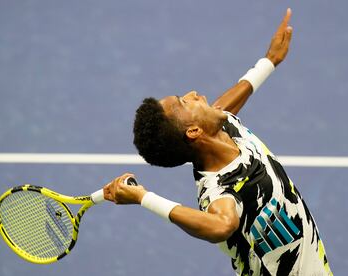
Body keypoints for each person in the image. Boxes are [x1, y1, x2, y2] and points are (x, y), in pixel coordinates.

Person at [102, 8, 333, 276]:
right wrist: (144, 197)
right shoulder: (218, 190)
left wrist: (269, 61)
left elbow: (226, 103)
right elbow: (221, 226)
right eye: (183, 102)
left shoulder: (223, 125)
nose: (192, 93)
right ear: (193, 132)